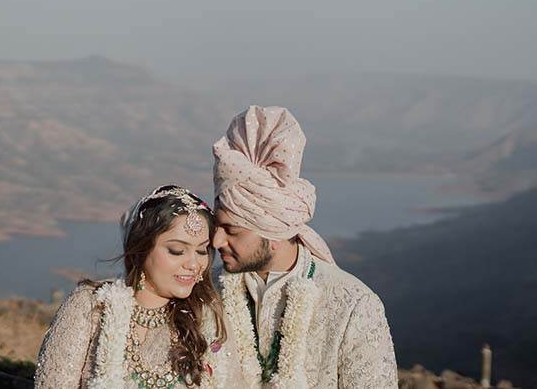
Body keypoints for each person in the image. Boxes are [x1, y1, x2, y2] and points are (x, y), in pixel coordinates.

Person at [211, 105, 398, 388]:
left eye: (232, 230)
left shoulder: (352, 305)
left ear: (274, 231)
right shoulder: (208, 294)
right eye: (217, 226)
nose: (216, 241)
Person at [34, 184, 242, 388]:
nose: (194, 264)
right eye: (177, 251)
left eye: (202, 251)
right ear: (141, 250)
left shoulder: (208, 318)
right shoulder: (93, 306)